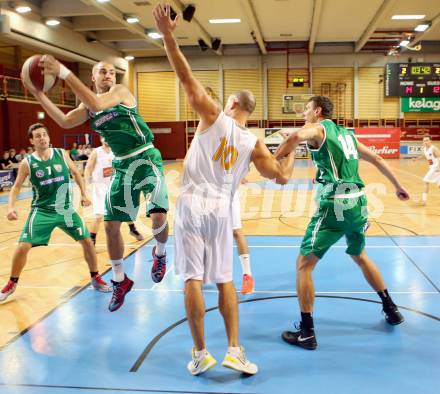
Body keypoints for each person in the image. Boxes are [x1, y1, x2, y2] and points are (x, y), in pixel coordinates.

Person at [153, 3, 294, 376]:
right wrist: (293, 145)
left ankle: (200, 352)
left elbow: (185, 78)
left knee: (192, 280)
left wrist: (169, 35)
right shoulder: (254, 142)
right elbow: (280, 176)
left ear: (231, 103)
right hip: (221, 208)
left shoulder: (214, 117)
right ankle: (235, 349)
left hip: (193, 204)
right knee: (225, 281)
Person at [23, 53, 169, 313]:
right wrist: (39, 95)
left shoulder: (120, 92)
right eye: (102, 72)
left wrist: (65, 73)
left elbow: (98, 103)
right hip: (122, 164)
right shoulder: (87, 107)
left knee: (158, 215)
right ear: (93, 77)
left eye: (111, 72)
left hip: (145, 156)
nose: (109, 75)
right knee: (111, 226)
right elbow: (64, 121)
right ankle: (120, 280)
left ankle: (160, 254)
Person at [275, 96, 410, 350]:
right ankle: (391, 309)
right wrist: (398, 187)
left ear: (317, 111)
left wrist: (278, 154)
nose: (304, 113)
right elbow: (378, 160)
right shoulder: (347, 135)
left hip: (336, 204)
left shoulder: (317, 129)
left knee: (303, 265)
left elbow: (295, 138)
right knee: (359, 255)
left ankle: (306, 333)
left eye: (306, 109)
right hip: (359, 203)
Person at [0, 123, 110, 302]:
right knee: (23, 246)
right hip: (42, 211)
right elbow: (16, 186)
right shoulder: (28, 162)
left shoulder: (61, 153)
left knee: (88, 242)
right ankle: (11, 284)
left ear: (49, 137)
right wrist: (10, 207)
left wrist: (84, 193)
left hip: (66, 209)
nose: (42, 138)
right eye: (38, 136)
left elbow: (76, 173)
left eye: (44, 134)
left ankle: (95, 277)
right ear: (32, 140)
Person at [83, 136, 144, 245]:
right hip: (100, 188)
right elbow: (88, 168)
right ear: (101, 138)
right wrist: (87, 186)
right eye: (104, 137)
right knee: (98, 216)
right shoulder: (96, 152)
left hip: (114, 186)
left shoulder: (116, 152)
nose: (106, 139)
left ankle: (132, 229)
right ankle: (91, 240)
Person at [232, 188, 254, 295]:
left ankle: (248, 277)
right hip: (207, 194)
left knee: (236, 231)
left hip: (228, 193)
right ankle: (198, 276)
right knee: (206, 234)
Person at [418, 135, 440, 205]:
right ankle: (424, 200)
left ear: (431, 141)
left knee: (425, 180)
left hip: (436, 168)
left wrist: (438, 167)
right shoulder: (425, 148)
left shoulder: (434, 149)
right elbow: (424, 155)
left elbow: (439, 158)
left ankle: (424, 201)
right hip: (432, 168)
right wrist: (416, 159)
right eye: (424, 140)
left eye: (427, 140)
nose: (425, 142)